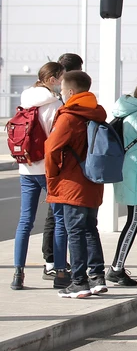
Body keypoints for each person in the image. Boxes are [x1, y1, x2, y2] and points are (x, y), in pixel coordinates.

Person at [45, 71, 110, 299]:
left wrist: (52, 177)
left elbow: (51, 149)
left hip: (72, 182)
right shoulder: (96, 114)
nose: (60, 93)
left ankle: (79, 282)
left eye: (62, 90)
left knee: (75, 231)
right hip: (93, 180)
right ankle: (97, 277)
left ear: (71, 92)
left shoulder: (69, 117)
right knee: (91, 228)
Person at [10, 63, 69, 291]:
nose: (63, 82)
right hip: (48, 170)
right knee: (60, 219)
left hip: (26, 169)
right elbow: (59, 138)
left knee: (25, 222)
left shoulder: (25, 99)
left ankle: (18, 274)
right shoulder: (54, 104)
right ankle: (61, 273)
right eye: (62, 78)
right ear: (53, 79)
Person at [39, 53, 84, 277]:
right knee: (61, 219)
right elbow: (54, 145)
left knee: (44, 216)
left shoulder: (31, 98)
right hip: (57, 168)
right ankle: (56, 264)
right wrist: (54, 173)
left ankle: (49, 261)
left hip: (31, 166)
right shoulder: (58, 106)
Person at [107, 71, 137, 287]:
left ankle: (116, 266)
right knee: (133, 222)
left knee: (134, 221)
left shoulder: (130, 110)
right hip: (135, 176)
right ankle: (116, 268)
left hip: (131, 173)